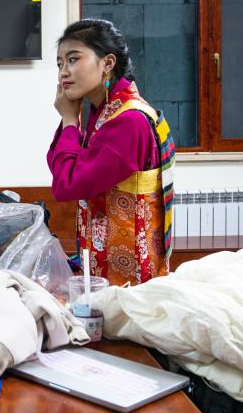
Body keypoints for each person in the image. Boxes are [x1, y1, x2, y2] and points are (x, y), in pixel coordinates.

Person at [47, 19, 176, 286]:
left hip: (128, 279)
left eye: (73, 59)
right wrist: (70, 120)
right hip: (106, 263)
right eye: (60, 64)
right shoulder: (106, 112)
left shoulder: (128, 121)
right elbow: (61, 167)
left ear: (107, 63)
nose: (63, 73)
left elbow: (66, 185)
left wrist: (70, 121)